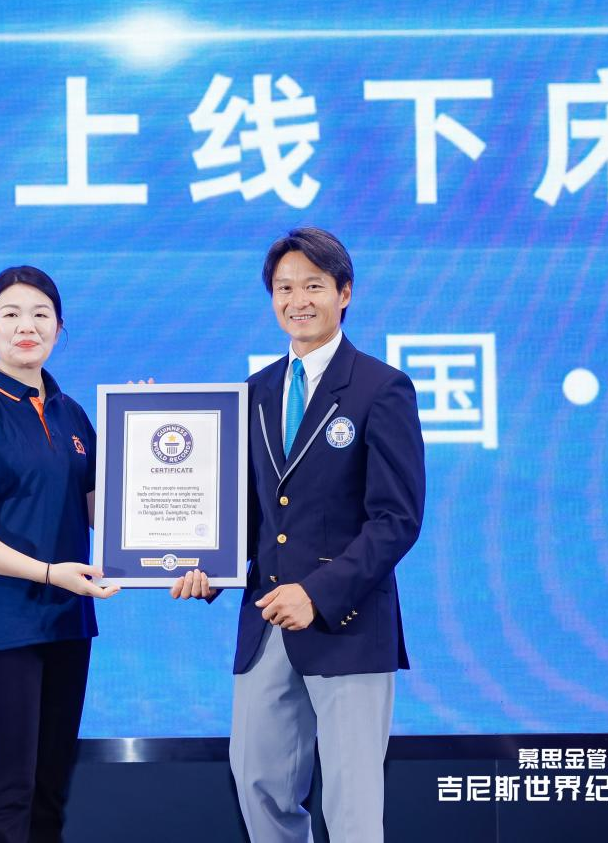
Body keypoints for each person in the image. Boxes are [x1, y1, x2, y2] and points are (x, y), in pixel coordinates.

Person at [172, 227, 425, 842]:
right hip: (266, 624)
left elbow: (397, 519)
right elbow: (245, 511)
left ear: (345, 293)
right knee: (257, 784)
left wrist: (317, 592)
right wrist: (210, 567)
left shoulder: (381, 388)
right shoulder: (253, 392)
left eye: (313, 286)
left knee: (351, 803)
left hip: (347, 624)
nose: (298, 300)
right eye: (284, 288)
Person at [0, 265, 119, 843]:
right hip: (3, 632)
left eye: (41, 314)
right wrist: (48, 573)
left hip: (67, 626)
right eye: (11, 314)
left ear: (59, 328)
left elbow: (107, 517)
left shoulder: (72, 414)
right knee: (8, 799)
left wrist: (145, 428)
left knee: (49, 799)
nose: (27, 326)